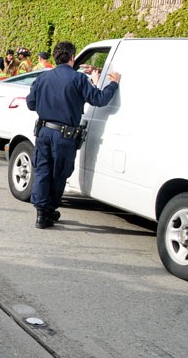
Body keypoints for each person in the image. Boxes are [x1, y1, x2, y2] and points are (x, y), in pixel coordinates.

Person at [25, 41, 121, 229]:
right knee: (59, 173)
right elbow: (99, 99)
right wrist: (113, 84)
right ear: (72, 57)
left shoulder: (43, 77)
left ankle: (41, 213)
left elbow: (31, 104)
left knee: (43, 171)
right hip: (64, 136)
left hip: (44, 132)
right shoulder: (78, 79)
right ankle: (49, 210)